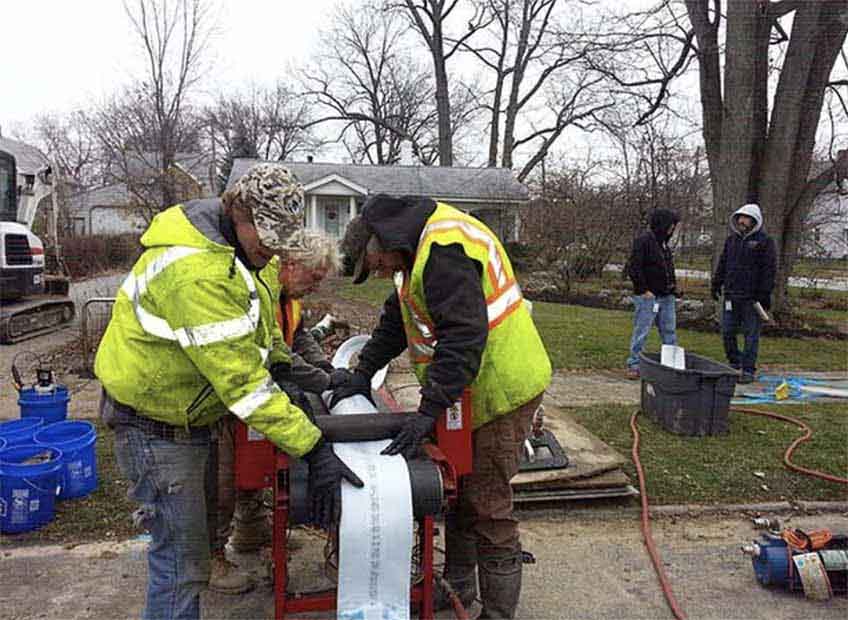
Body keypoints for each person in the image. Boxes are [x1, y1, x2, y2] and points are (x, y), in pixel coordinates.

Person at [95, 163, 363, 620]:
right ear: (237, 212)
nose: (274, 250)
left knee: (188, 556)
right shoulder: (197, 272)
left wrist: (295, 371)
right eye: (267, 237)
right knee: (181, 563)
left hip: (185, 418)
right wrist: (314, 447)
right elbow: (244, 386)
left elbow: (261, 334)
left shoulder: (242, 254)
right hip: (156, 430)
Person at [335, 194, 552, 620]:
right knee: (459, 488)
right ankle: (459, 589)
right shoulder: (412, 253)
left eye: (375, 265)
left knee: (486, 500)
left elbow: (462, 339)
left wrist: (428, 410)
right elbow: (398, 321)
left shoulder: (443, 251)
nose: (380, 273)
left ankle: (498, 611)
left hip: (502, 387)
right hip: (469, 388)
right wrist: (363, 372)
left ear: (381, 243)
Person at [210, 233, 340, 594]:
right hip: (230, 392)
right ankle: (212, 557)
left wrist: (327, 372)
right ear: (292, 264)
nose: (315, 287)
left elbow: (297, 340)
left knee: (255, 463)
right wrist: (318, 378)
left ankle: (250, 529)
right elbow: (270, 352)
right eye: (314, 278)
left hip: (261, 388)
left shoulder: (289, 297)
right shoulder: (256, 290)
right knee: (223, 474)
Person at [711, 203, 776, 384]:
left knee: (751, 335)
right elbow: (724, 263)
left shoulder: (764, 242)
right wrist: (717, 283)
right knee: (727, 331)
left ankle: (748, 369)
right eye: (740, 217)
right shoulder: (731, 241)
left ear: (754, 220)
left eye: (746, 218)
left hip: (752, 299)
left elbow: (769, 270)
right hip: (731, 295)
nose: (741, 221)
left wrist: (763, 294)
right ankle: (734, 363)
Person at [625, 208, 681, 379]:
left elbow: (667, 269)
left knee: (669, 331)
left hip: (666, 296)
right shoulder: (643, 242)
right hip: (648, 296)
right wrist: (643, 290)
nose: (672, 229)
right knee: (642, 330)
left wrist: (673, 288)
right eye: (671, 225)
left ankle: (671, 364)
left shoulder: (664, 245)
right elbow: (634, 267)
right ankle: (635, 363)